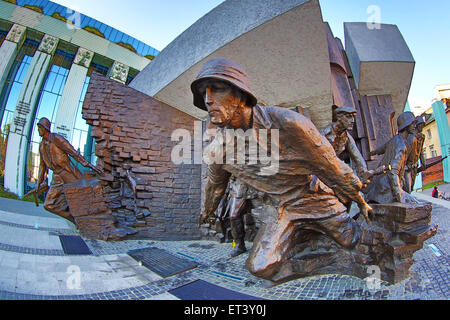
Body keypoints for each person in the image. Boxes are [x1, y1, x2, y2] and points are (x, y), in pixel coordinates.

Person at [192, 58, 373, 281]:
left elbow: (331, 166)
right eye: (203, 93)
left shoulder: (288, 123)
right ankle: (317, 256)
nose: (208, 100)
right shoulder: (217, 150)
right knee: (260, 267)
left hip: (312, 198)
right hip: (280, 209)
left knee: (351, 240)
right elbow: (215, 187)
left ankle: (324, 245)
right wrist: (208, 213)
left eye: (217, 89)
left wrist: (360, 199)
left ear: (240, 95)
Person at [34, 117, 103, 223]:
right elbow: (42, 166)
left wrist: (90, 165)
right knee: (48, 205)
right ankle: (75, 220)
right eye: (38, 127)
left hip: (68, 173)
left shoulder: (57, 138)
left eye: (40, 127)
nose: (38, 130)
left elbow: (73, 152)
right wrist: (38, 184)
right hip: (57, 177)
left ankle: (93, 218)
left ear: (45, 128)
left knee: (83, 197)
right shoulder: (42, 146)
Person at [365, 112, 418, 204]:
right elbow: (393, 172)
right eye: (412, 124)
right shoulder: (401, 146)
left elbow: (383, 148)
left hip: (381, 185)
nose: (414, 126)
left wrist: (374, 152)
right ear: (406, 125)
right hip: (386, 190)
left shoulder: (396, 139)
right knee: (415, 203)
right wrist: (399, 194)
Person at [320, 106, 369, 179]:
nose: (353, 121)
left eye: (353, 117)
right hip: (319, 170)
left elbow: (357, 156)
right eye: (348, 117)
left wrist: (364, 172)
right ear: (339, 118)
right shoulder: (325, 133)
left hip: (333, 171)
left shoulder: (346, 137)